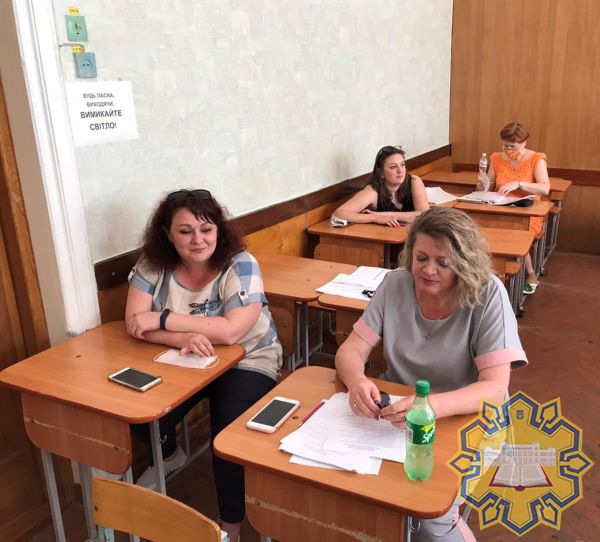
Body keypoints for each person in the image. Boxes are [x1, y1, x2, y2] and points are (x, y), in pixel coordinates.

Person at [335, 207, 527, 542]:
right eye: (421, 258)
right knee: (359, 492)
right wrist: (357, 381)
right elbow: (350, 351)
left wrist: (429, 407)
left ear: (464, 263)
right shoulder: (395, 284)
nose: (428, 270)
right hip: (398, 417)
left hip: (471, 418)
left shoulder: (488, 294)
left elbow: (495, 388)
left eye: (443, 262)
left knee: (431, 517)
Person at [125, 188, 282, 542]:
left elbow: (231, 331)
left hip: (249, 357)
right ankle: (169, 454)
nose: (198, 239)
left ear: (218, 230)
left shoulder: (240, 263)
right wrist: (181, 339)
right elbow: (135, 322)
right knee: (137, 411)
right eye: (185, 231)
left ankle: (230, 528)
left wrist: (162, 319)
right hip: (186, 357)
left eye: (206, 229)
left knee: (226, 440)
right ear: (167, 234)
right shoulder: (153, 263)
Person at [477, 121, 550, 294]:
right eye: (505, 145)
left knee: (516, 232)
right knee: (484, 230)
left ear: (524, 142)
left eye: (513, 146)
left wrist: (519, 184)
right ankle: (489, 273)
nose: (508, 149)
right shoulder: (496, 158)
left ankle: (531, 274)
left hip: (527, 209)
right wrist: (482, 185)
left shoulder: (536, 159)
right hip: (501, 205)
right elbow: (490, 185)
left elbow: (545, 188)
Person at [332, 145, 430, 227]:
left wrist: (383, 215)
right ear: (381, 173)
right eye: (393, 167)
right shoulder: (373, 191)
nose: (400, 171)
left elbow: (424, 215)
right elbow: (338, 214)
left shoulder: (414, 181)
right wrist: (375, 218)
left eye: (402, 164)